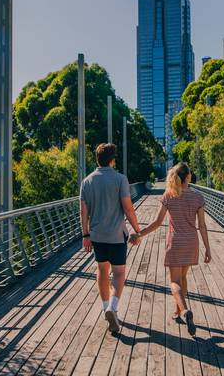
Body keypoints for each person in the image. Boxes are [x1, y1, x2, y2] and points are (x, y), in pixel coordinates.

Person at [134, 162, 211, 336]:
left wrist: (140, 233)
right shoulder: (198, 197)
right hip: (191, 242)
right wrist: (207, 248)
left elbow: (157, 222)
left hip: (175, 242)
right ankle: (178, 312)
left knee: (174, 281)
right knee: (183, 277)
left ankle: (184, 311)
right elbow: (203, 226)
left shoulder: (169, 195)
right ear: (188, 177)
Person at [80, 143, 142, 334]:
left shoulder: (87, 181)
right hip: (116, 235)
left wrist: (85, 234)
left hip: (97, 235)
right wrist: (137, 229)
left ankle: (104, 305)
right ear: (112, 160)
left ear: (97, 159)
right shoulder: (120, 179)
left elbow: (83, 211)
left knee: (102, 269)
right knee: (119, 272)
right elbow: (128, 208)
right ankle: (112, 308)